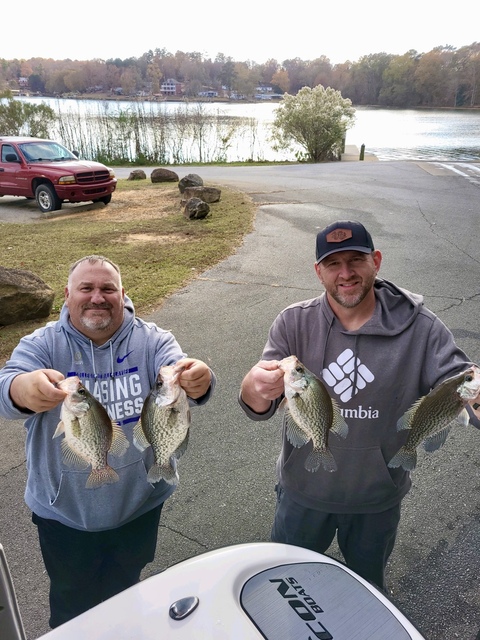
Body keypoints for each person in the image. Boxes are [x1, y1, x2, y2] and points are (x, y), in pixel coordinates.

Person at [239, 220, 480, 592]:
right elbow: (257, 402)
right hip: (303, 493)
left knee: (366, 593)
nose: (346, 273)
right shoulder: (293, 322)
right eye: (333, 264)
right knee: (287, 588)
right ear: (318, 271)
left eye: (356, 260)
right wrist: (254, 385)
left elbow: (461, 382)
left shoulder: (424, 328)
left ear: (376, 261)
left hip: (376, 500)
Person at [0, 255, 215, 628]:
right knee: (72, 606)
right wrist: (22, 390)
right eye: (86, 288)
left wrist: (199, 378)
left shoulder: (152, 340)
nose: (97, 297)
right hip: (64, 514)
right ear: (68, 295)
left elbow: (179, 369)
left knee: (126, 596)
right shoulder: (42, 345)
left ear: (122, 295)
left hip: (139, 506)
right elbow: (8, 385)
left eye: (107, 289)